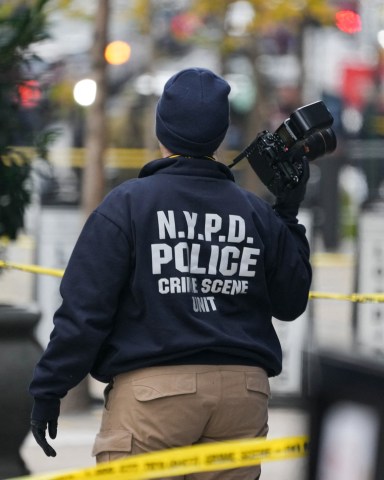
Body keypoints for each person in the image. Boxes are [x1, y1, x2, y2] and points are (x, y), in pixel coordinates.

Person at [29, 67, 312, 480]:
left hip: (153, 397)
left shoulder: (127, 205)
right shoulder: (254, 212)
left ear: (161, 128)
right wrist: (286, 214)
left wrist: (49, 388)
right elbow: (291, 302)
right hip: (242, 397)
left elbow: (85, 311)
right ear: (221, 135)